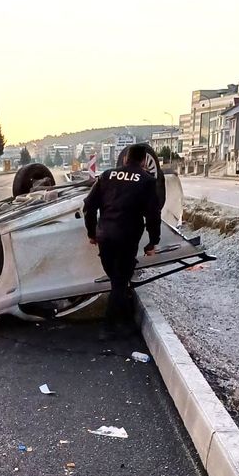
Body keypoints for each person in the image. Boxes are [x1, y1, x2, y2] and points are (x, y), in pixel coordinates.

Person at [83, 143, 161, 340]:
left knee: (117, 279)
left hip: (105, 236)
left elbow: (89, 206)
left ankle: (125, 320)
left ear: (125, 159)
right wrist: (153, 241)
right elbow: (153, 215)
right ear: (144, 161)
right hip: (127, 238)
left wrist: (92, 232)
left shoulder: (107, 175)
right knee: (119, 282)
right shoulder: (147, 180)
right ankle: (108, 328)